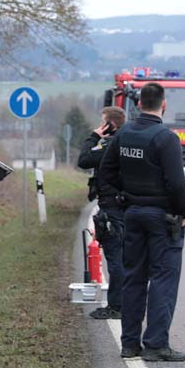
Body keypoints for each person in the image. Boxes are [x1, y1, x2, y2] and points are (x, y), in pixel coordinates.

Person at [99, 82, 185, 362]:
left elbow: (106, 173)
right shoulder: (166, 138)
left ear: (139, 104)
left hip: (132, 214)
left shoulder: (124, 134)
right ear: (164, 105)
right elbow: (176, 183)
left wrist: (117, 202)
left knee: (133, 278)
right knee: (163, 278)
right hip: (162, 217)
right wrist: (182, 213)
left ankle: (129, 345)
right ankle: (155, 345)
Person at [77, 105, 127, 320]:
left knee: (116, 259)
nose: (100, 126)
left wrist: (93, 136)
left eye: (103, 122)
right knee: (125, 258)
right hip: (125, 206)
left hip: (112, 208)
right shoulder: (128, 143)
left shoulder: (110, 145)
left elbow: (84, 160)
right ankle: (126, 304)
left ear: (110, 125)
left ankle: (117, 306)